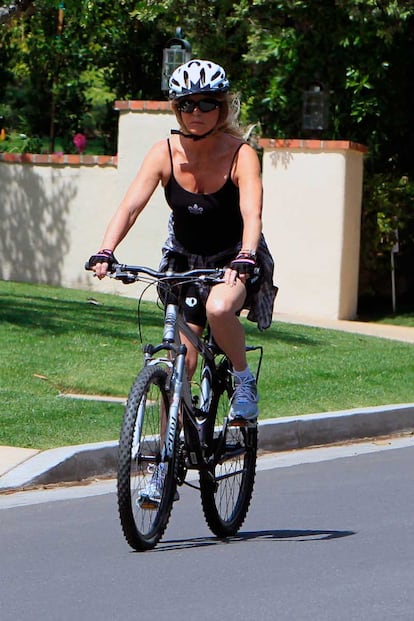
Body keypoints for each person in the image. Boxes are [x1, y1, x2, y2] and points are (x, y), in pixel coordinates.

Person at [88, 59, 277, 424]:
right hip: (184, 261)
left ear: (221, 108)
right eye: (187, 104)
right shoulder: (164, 153)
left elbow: (253, 214)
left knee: (220, 309)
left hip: (234, 257)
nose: (196, 112)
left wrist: (245, 257)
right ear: (176, 108)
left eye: (207, 103)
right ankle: (165, 462)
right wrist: (106, 250)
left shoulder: (242, 155)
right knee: (181, 365)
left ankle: (243, 379)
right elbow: (130, 207)